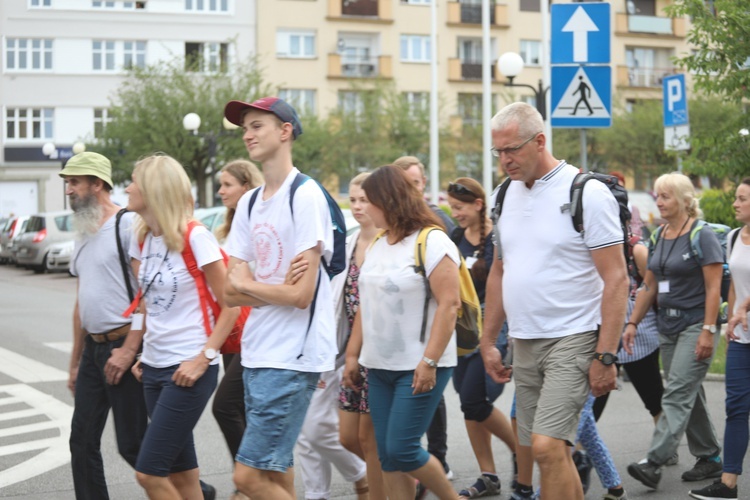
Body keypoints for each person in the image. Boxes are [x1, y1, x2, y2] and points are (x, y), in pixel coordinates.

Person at [481, 102, 629, 500]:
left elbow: (616, 278)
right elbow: (499, 270)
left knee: (546, 448)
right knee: (547, 452)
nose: (505, 160)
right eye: (499, 152)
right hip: (524, 340)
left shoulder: (587, 192)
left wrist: (606, 356)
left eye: (512, 150)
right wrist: (488, 340)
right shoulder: (502, 196)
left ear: (540, 140)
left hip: (575, 337)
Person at [223, 96, 337, 500]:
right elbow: (226, 290)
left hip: (291, 357)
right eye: (245, 128)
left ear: (285, 131)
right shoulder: (251, 202)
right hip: (257, 352)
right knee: (276, 473)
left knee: (247, 478)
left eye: (257, 126)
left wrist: (250, 284)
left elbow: (301, 295)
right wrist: (270, 291)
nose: (247, 135)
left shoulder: (305, 196)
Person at [343, 164, 460, 499]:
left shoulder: (432, 240)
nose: (363, 208)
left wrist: (430, 361)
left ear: (389, 201)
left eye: (370, 201)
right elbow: (367, 302)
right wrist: (354, 356)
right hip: (379, 366)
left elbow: (450, 305)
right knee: (387, 455)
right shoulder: (379, 242)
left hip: (419, 364)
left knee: (403, 449)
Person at [126, 154, 238, 499]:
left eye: (134, 182)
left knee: (149, 474)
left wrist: (204, 357)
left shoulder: (195, 236)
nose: (128, 188)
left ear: (154, 190)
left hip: (188, 368)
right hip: (155, 369)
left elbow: (231, 304)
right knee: (183, 475)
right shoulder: (144, 237)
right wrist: (142, 352)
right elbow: (148, 303)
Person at [624, 172, 723, 491]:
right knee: (689, 392)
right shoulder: (659, 234)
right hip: (668, 326)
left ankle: (654, 462)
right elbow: (649, 285)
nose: (659, 201)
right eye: (657, 196)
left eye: (665, 196)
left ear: (684, 200)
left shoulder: (701, 234)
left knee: (678, 390)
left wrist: (708, 330)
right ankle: (709, 456)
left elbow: (713, 288)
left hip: (696, 323)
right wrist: (632, 323)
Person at [63, 152, 149, 500]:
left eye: (74, 182)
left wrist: (129, 350)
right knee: (81, 440)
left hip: (124, 348)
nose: (68, 190)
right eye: (67, 183)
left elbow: (148, 293)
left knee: (132, 445)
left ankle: (196, 492)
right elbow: (82, 302)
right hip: (93, 351)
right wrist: (74, 362)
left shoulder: (127, 224)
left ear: (97, 185)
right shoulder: (83, 231)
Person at [295, 173, 375, 500]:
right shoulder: (351, 241)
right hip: (340, 348)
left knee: (354, 436)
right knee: (308, 430)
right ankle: (320, 492)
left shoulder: (389, 242)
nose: (356, 207)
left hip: (374, 351)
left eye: (363, 200)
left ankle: (373, 477)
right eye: (352, 200)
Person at [445, 177, 516, 499]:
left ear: (478, 204)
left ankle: (521, 451)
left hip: (493, 324)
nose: (454, 213)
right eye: (451, 207)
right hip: (462, 328)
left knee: (474, 399)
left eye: (459, 207)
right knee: (468, 405)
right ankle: (488, 476)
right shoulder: (455, 236)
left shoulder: (497, 237)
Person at [392, 155, 455, 485]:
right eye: (405, 184)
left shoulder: (439, 221)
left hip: (431, 329)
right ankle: (414, 463)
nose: (411, 190)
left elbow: (452, 286)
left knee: (432, 394)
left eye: (416, 183)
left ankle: (438, 458)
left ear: (424, 184)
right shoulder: (390, 226)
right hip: (397, 334)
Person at [689, 178, 750, 500]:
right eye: (736, 198)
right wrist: (729, 319)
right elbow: (732, 283)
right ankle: (728, 483)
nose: (735, 204)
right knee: (736, 408)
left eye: (742, 199)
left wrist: (744, 307)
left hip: (745, 321)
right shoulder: (733, 237)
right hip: (742, 336)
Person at [211, 159, 263, 500]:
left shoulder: (260, 222)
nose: (220, 190)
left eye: (227, 184)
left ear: (246, 186)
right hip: (233, 333)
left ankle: (248, 484)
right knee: (243, 409)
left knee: (225, 406)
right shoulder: (227, 225)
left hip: (253, 331)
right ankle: (249, 482)